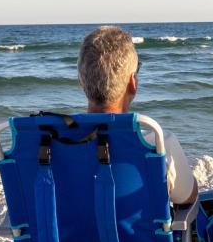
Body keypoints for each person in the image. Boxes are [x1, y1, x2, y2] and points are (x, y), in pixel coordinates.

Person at [78, 25, 197, 205]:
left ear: (81, 81)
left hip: (69, 225)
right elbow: (188, 197)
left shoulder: (48, 146)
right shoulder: (158, 144)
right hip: (139, 225)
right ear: (132, 83)